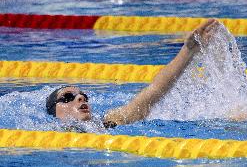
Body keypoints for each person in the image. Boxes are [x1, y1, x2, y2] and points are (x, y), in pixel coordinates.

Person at [46, 19, 220, 128]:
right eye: (68, 97)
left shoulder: (110, 122)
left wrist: (188, 51)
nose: (80, 99)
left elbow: (154, 91)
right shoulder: (48, 137)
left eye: (83, 96)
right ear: (54, 111)